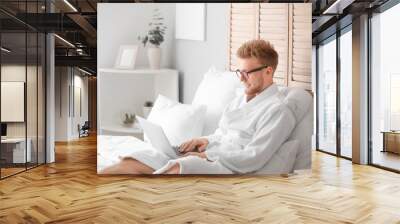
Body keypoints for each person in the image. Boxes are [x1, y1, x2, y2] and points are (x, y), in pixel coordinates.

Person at [100, 39, 296, 175]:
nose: (241, 78)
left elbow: (253, 157)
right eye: (239, 72)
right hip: (211, 153)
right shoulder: (240, 99)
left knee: (177, 168)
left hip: (228, 165)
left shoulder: (278, 110)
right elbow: (222, 133)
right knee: (136, 159)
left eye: (247, 73)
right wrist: (203, 140)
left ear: (268, 71)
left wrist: (206, 155)